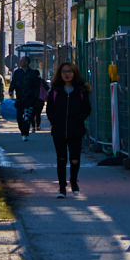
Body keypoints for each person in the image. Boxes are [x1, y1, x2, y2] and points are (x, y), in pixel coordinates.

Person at [45, 60, 91, 197]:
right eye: (64, 72)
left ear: (74, 73)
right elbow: (49, 109)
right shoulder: (55, 91)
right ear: (60, 74)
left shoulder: (81, 91)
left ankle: (74, 181)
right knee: (61, 159)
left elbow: (87, 109)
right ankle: (62, 188)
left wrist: (79, 119)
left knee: (75, 158)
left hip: (76, 130)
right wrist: (54, 120)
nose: (67, 74)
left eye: (69, 71)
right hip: (59, 130)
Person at [10, 60, 44, 139]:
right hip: (20, 98)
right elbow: (13, 82)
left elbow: (37, 86)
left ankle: (25, 133)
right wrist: (11, 90)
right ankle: (22, 129)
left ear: (27, 63)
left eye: (22, 61)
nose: (20, 63)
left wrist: (35, 96)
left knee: (28, 116)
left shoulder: (33, 73)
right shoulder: (17, 73)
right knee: (19, 116)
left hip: (30, 98)